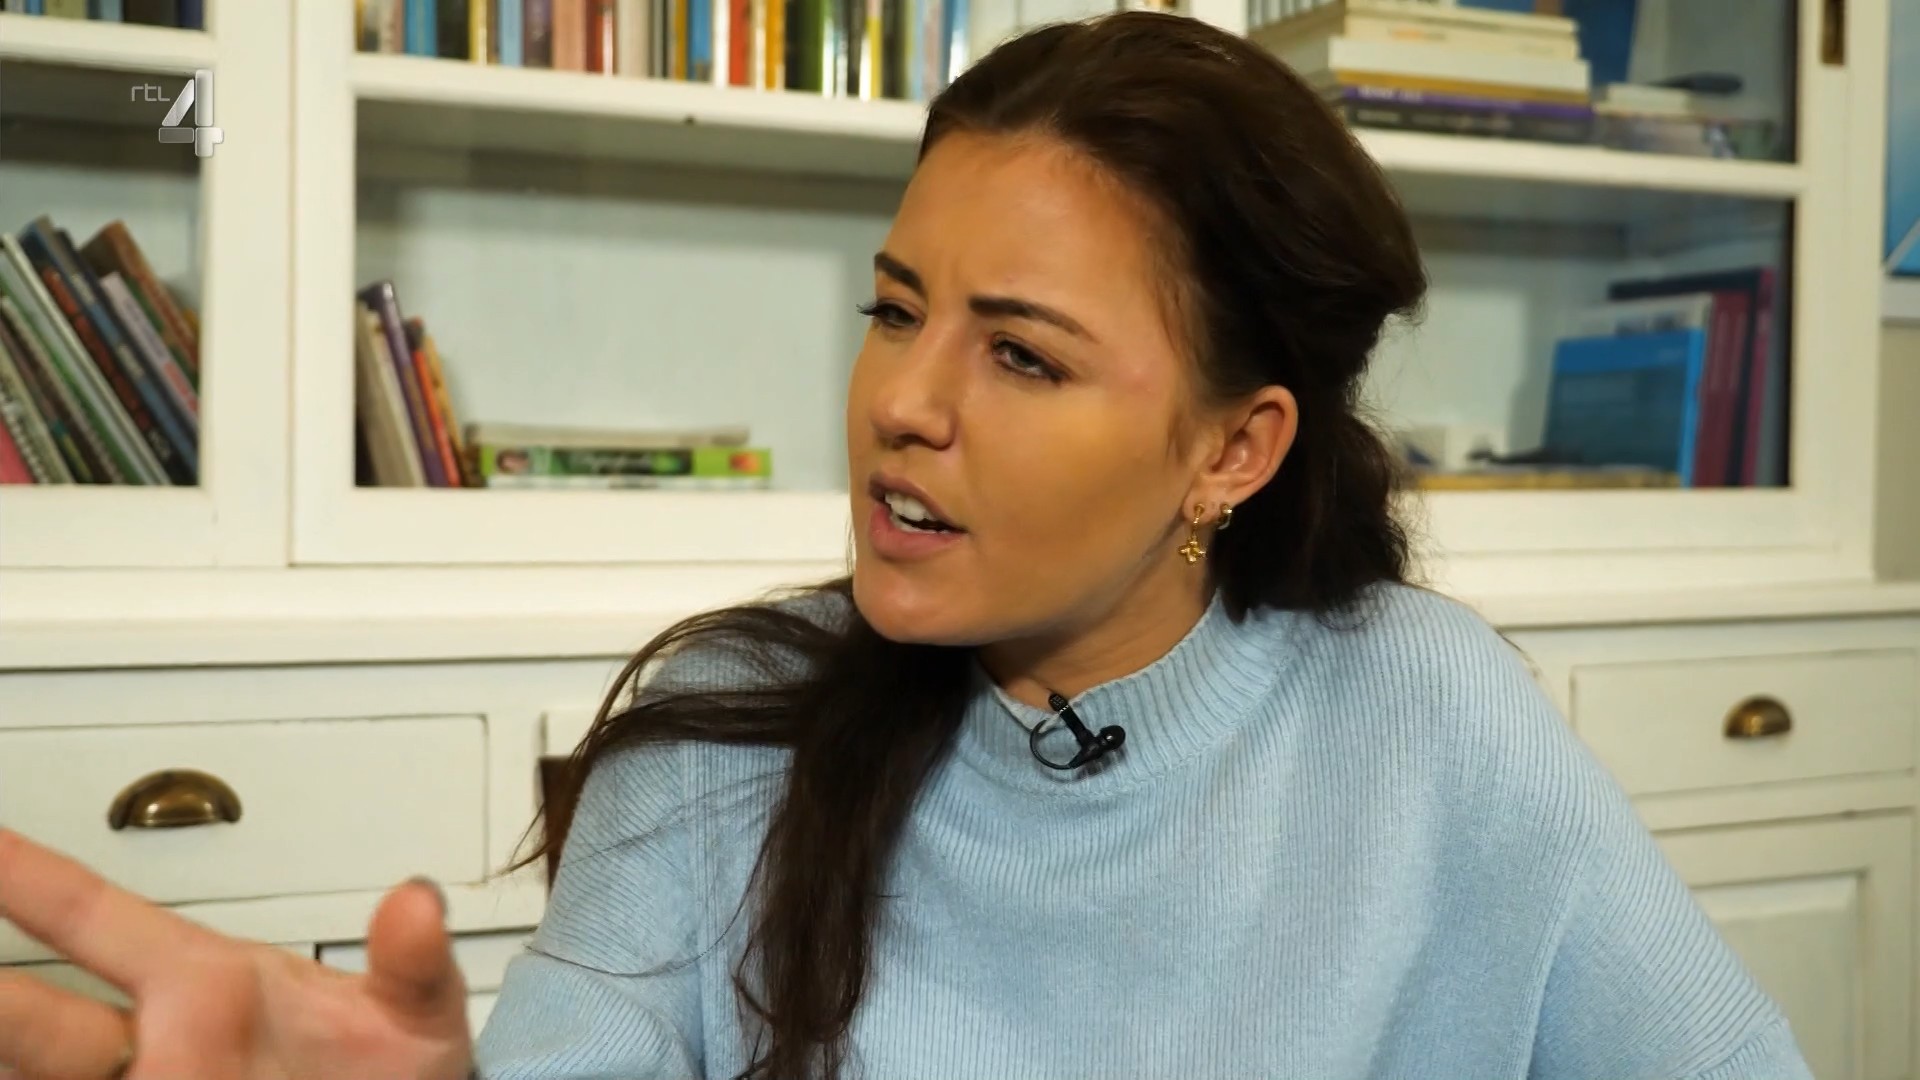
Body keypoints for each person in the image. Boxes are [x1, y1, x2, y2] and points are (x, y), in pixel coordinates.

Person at [0, 10, 1811, 1080]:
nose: (901, 404)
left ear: (1232, 449)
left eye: (1020, 355)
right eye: (894, 309)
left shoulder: (1428, 716)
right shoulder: (723, 736)